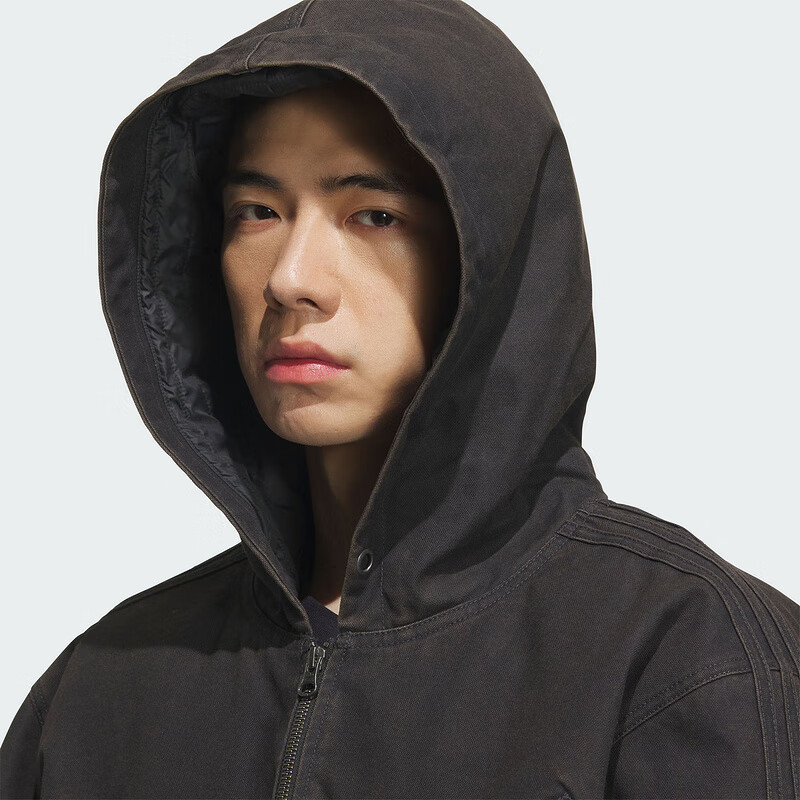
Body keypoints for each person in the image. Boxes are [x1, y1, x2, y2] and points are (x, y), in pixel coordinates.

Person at [1, 1, 798, 798]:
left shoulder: (685, 658)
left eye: (374, 215)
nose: (291, 278)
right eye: (258, 212)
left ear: (491, 257)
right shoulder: (99, 692)